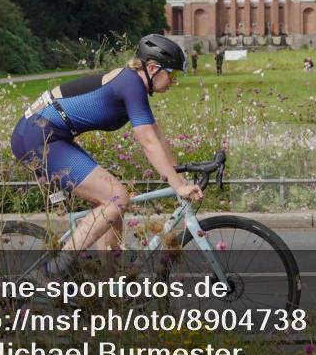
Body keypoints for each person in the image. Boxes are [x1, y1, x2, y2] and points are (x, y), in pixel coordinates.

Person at [11, 34, 202, 280]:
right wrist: (177, 185)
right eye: (172, 75)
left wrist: (180, 175)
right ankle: (50, 272)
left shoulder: (133, 83)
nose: (174, 81)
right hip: (37, 136)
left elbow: (157, 136)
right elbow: (147, 141)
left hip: (50, 134)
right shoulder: (131, 84)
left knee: (112, 206)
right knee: (117, 197)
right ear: (153, 68)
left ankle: (108, 285)